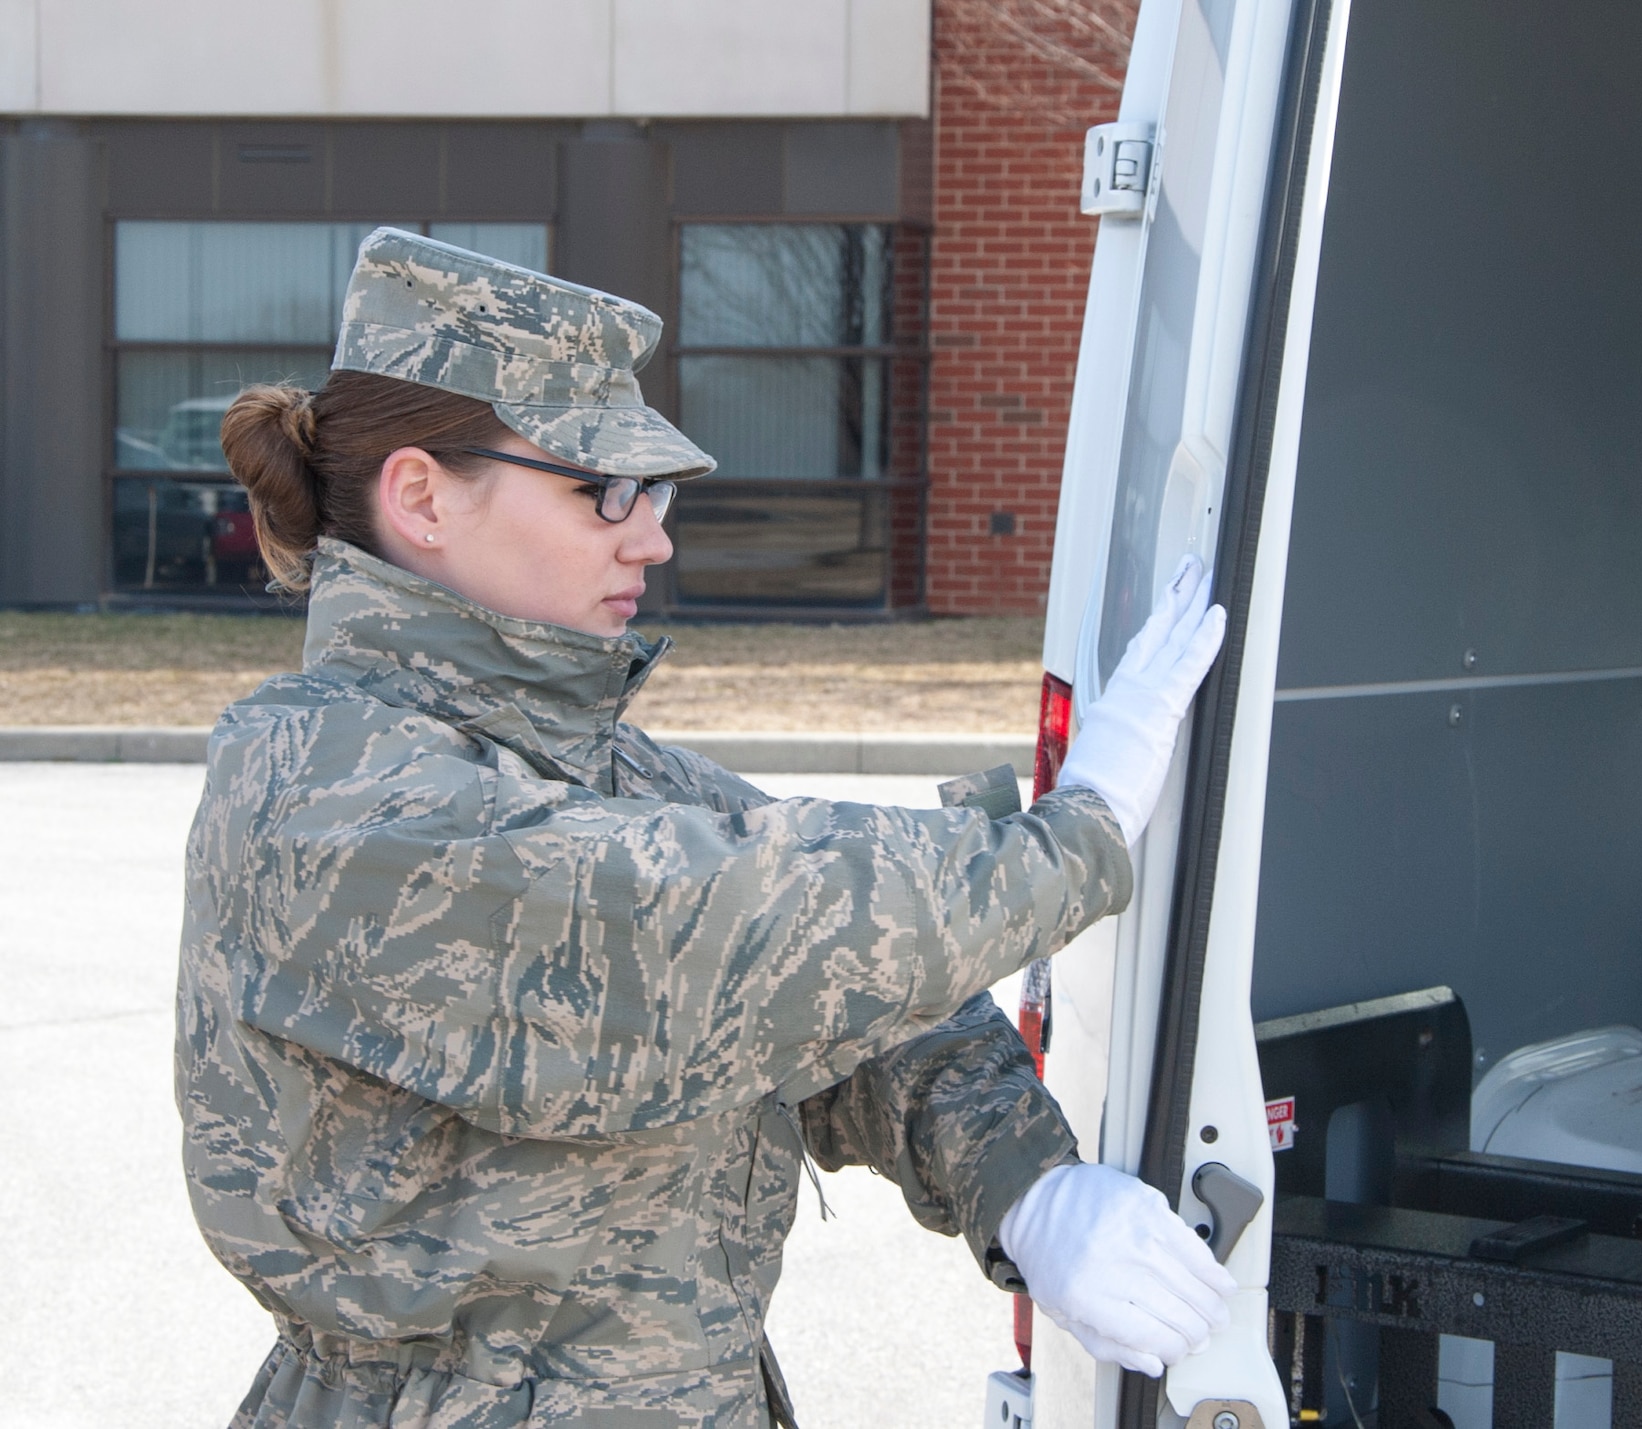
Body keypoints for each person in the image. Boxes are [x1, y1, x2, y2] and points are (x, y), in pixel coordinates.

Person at [176, 228, 1233, 1428]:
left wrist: (1026, 1185)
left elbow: (863, 1016)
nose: (651, 536)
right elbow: (724, 939)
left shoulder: (606, 767)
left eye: (655, 495)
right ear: (420, 494)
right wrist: (1074, 829)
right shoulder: (317, 788)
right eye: (603, 490)